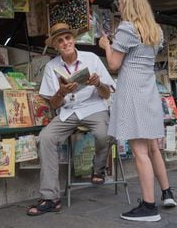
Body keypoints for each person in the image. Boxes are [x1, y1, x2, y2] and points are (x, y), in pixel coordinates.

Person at [99, 0, 176, 223]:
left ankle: (149, 206)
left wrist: (106, 46)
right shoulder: (156, 30)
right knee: (153, 147)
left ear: (129, 3)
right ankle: (166, 193)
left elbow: (113, 64)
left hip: (131, 91)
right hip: (149, 90)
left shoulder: (127, 28)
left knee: (140, 150)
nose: (118, 5)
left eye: (120, 1)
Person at [26, 22, 115, 216]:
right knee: (46, 138)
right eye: (60, 40)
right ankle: (51, 198)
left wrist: (98, 83)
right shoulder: (51, 67)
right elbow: (54, 105)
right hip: (68, 111)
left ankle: (98, 168)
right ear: (56, 46)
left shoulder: (91, 58)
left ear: (73, 39)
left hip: (93, 107)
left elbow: (107, 94)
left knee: (104, 133)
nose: (65, 42)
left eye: (68, 38)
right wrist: (61, 92)